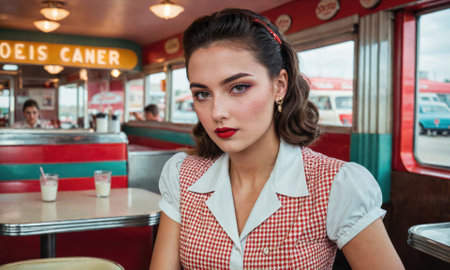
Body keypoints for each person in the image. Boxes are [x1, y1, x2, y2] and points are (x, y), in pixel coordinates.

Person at [150, 9, 404, 270]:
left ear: (279, 85)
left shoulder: (335, 185)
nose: (217, 113)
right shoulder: (182, 176)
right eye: (203, 94)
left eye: (239, 87)